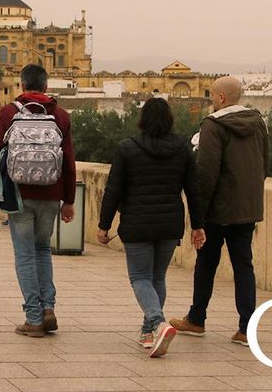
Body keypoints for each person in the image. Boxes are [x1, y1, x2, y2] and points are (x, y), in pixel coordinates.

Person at [97, 98, 204, 357]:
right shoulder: (182, 149)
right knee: (157, 278)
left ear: (142, 119)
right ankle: (147, 333)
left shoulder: (127, 148)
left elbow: (114, 190)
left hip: (137, 222)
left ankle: (157, 323)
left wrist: (104, 225)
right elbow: (193, 190)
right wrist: (198, 225)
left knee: (140, 278)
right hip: (169, 223)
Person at [170, 76, 269, 346]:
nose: (211, 99)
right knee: (244, 265)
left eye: (212, 95)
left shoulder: (213, 125)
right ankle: (247, 328)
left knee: (206, 263)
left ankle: (197, 318)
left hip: (218, 209)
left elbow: (206, 172)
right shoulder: (258, 122)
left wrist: (198, 215)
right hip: (247, 208)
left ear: (221, 98)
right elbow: (264, 164)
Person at [0, 64, 76, 338]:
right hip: (51, 194)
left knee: (25, 255)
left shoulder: (8, 113)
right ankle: (48, 307)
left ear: (22, 85)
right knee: (42, 251)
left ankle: (33, 318)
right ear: (46, 86)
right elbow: (69, 162)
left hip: (19, 195)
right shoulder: (60, 115)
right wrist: (69, 200)